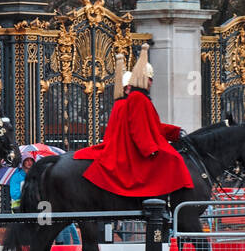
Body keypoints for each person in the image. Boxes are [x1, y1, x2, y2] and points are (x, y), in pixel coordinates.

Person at [78, 44, 192, 198]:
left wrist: (175, 132)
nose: (151, 82)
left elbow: (153, 126)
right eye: (149, 79)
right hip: (133, 148)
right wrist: (149, 149)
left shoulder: (137, 99)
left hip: (136, 144)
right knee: (175, 159)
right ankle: (165, 202)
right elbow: (139, 129)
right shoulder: (137, 98)